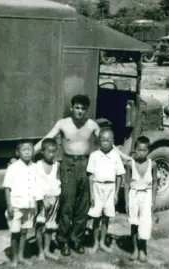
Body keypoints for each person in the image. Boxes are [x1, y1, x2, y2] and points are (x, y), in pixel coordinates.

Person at [32, 94, 130, 256]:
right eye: (77, 108)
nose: (79, 111)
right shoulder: (62, 124)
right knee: (67, 204)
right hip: (68, 165)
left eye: (83, 108)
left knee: (83, 205)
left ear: (87, 110)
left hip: (86, 165)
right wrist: (27, 157)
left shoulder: (92, 125)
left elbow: (108, 143)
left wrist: (126, 158)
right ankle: (63, 240)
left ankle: (77, 240)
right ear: (71, 108)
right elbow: (46, 138)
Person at [3, 140, 42, 267]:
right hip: (16, 206)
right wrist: (9, 206)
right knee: (15, 233)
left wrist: (36, 205)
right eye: (23, 150)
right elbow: (7, 188)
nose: (27, 152)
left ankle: (21, 256)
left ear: (33, 152)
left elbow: (36, 187)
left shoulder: (35, 167)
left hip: (29, 205)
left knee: (25, 231)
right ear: (17, 152)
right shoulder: (13, 168)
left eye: (29, 149)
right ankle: (14, 259)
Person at [86, 128, 125, 254]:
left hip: (111, 188)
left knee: (106, 217)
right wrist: (92, 194)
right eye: (103, 140)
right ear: (98, 141)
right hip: (97, 188)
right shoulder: (94, 155)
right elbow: (90, 176)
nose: (105, 143)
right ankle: (95, 243)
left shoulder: (116, 156)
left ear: (113, 141)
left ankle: (102, 242)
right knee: (96, 217)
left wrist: (116, 193)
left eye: (108, 140)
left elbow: (119, 176)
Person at [124, 136, 158, 263]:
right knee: (134, 223)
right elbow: (126, 183)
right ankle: (135, 249)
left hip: (147, 195)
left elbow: (155, 183)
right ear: (135, 150)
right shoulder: (130, 164)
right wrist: (127, 202)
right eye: (138, 150)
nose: (141, 152)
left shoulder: (152, 164)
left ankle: (143, 249)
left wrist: (153, 200)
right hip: (134, 195)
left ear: (148, 151)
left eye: (144, 150)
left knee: (145, 223)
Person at [34, 138, 61, 261]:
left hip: (54, 199)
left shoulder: (56, 165)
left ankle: (47, 249)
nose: (51, 154)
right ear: (42, 152)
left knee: (50, 226)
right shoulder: (37, 166)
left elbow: (57, 181)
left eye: (54, 152)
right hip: (41, 200)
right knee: (40, 225)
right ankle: (40, 252)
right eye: (49, 151)